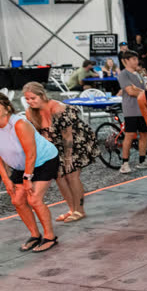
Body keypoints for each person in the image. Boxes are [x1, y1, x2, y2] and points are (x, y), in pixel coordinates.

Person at [0, 92, 60, 252]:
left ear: (7, 108)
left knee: (34, 200)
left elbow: (31, 154)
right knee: (17, 201)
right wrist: (6, 179)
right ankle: (35, 235)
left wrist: (27, 178)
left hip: (43, 161)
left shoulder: (19, 124)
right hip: (20, 165)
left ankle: (50, 236)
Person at [22, 81, 98, 223]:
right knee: (59, 176)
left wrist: (68, 158)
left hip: (75, 141)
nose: (30, 102)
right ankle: (72, 209)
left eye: (33, 98)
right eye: (27, 99)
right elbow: (36, 135)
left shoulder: (58, 108)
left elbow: (68, 136)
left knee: (71, 174)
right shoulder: (30, 113)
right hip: (54, 145)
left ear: (42, 95)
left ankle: (80, 210)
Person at [117, 51, 147, 174]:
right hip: (131, 110)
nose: (136, 61)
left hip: (142, 109)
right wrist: (146, 93)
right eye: (134, 59)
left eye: (137, 59)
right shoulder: (124, 74)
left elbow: (143, 89)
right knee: (129, 136)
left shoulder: (138, 74)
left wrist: (142, 91)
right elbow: (130, 92)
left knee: (144, 134)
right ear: (126, 61)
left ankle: (142, 160)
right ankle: (125, 163)